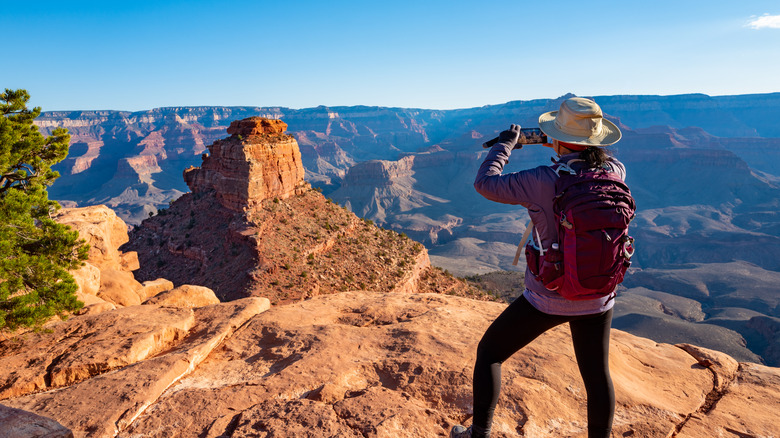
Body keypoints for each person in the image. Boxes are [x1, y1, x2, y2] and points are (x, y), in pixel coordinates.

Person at [451, 97, 625, 438]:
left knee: (490, 352)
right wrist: (562, 140)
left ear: (558, 136)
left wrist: (506, 145)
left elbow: (485, 183)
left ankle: (478, 435)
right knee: (596, 375)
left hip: (549, 295)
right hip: (598, 296)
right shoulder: (616, 172)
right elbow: (585, 158)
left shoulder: (542, 179)